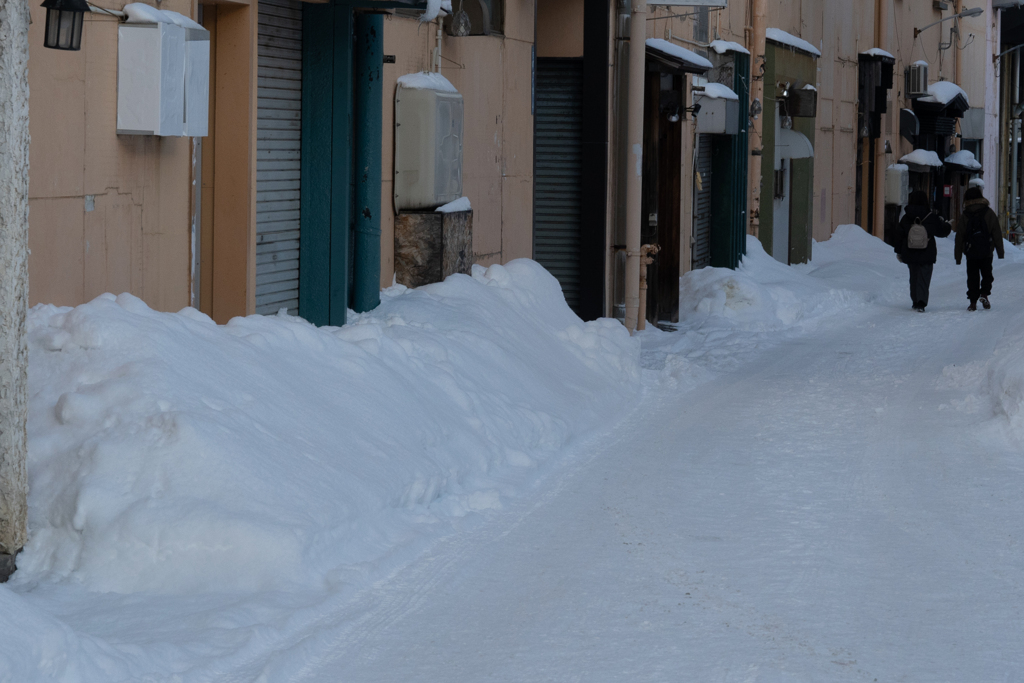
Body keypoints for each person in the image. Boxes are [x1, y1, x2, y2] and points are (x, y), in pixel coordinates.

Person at [894, 190, 951, 312]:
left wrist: (899, 251)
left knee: (914, 276)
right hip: (927, 251)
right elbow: (941, 231)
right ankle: (921, 302)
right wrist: (948, 226)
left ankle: (915, 300)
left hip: (910, 251)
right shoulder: (930, 216)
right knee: (924, 277)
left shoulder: (906, 217)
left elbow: (899, 235)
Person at [954, 186, 1004, 311]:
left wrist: (958, 256)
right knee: (987, 274)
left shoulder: (965, 215)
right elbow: (996, 233)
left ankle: (972, 302)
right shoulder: (989, 212)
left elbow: (959, 236)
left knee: (972, 277)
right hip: (987, 251)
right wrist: (1000, 252)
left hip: (971, 251)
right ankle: (984, 294)